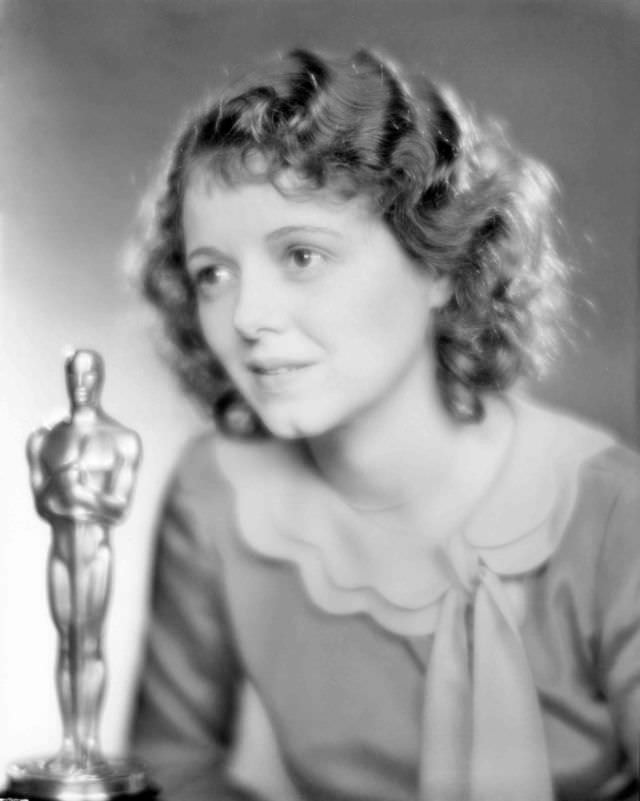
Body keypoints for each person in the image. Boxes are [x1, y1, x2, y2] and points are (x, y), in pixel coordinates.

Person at [129, 48, 640, 801]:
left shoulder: (609, 511)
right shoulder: (217, 496)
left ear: (438, 261)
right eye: (214, 273)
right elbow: (167, 775)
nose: (246, 316)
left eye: (301, 254)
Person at [27, 349, 142, 772]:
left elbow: (117, 507)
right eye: (75, 374)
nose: (82, 382)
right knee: (66, 643)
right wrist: (69, 491)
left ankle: (89, 745)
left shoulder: (121, 439)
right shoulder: (45, 438)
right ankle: (70, 744)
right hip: (61, 551)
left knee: (89, 643)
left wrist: (74, 491)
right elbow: (42, 502)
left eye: (89, 373)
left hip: (95, 552)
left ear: (100, 378)